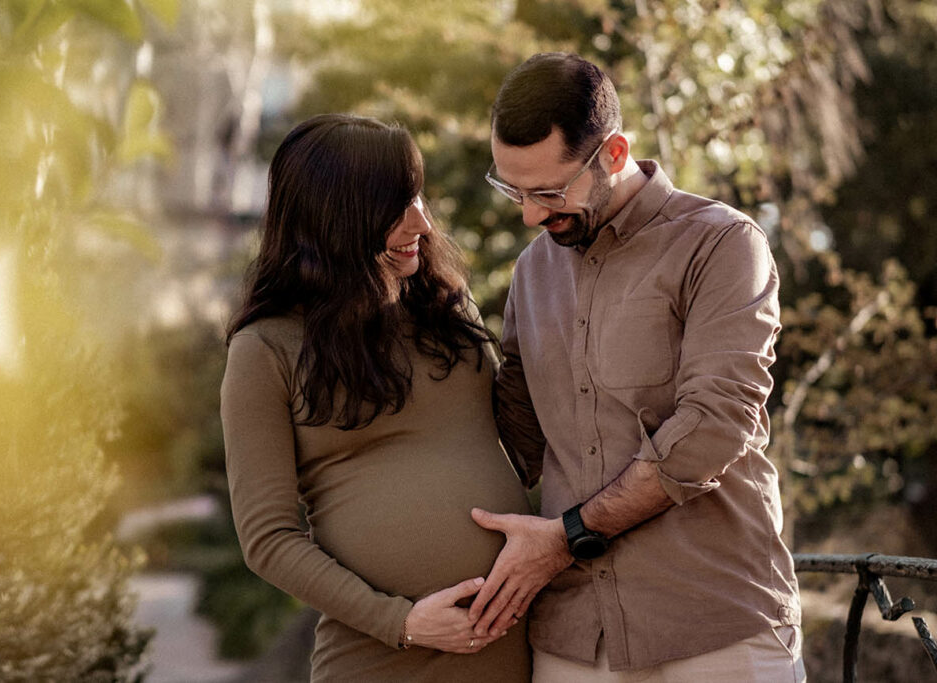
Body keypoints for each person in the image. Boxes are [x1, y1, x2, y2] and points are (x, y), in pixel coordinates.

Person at [467, 53, 805, 681]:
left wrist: (565, 538)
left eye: (549, 192)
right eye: (514, 190)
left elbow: (714, 427)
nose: (530, 216)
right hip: (572, 646)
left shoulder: (720, 244)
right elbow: (512, 443)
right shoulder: (532, 273)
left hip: (716, 633)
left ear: (614, 154)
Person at [220, 113, 532, 682]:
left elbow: (525, 447)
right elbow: (267, 538)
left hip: (517, 644)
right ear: (336, 219)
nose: (423, 222)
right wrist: (403, 621)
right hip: (383, 659)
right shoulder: (264, 348)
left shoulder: (448, 310)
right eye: (396, 204)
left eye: (418, 195)